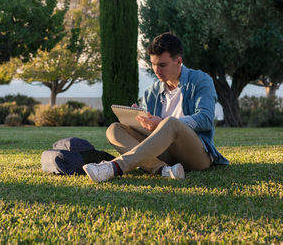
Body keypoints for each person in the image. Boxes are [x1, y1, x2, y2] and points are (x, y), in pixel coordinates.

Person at [83, 32, 229, 182]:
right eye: (153, 64)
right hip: (164, 154)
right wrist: (139, 120)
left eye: (162, 65)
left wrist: (162, 123)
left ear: (178, 61)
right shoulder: (151, 92)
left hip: (196, 157)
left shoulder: (200, 80)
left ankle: (114, 167)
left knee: (170, 122)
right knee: (114, 129)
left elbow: (205, 119)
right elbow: (152, 130)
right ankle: (163, 170)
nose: (157, 71)